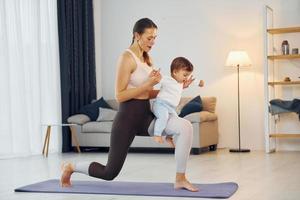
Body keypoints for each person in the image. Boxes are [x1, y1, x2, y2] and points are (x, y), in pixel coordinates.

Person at [60, 18, 198, 192]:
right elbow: (120, 95)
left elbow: (147, 93)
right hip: (127, 120)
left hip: (147, 117)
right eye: (149, 38)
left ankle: (180, 178)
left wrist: (178, 87)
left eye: (155, 38)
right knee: (109, 172)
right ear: (136, 35)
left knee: (185, 126)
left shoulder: (147, 59)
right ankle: (71, 166)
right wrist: (148, 84)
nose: (153, 42)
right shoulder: (126, 58)